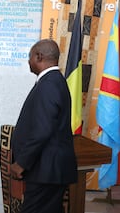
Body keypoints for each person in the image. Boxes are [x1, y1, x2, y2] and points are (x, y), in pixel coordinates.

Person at [10, 39, 77, 213]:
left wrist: (22, 162)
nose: (28, 61)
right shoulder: (53, 81)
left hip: (47, 170)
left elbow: (42, 130)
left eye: (30, 56)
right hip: (49, 169)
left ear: (39, 56)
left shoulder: (48, 84)